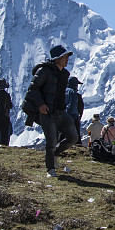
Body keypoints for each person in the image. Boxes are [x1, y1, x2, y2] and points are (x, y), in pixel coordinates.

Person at [23, 44, 79, 177]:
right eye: (64, 56)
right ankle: (50, 169)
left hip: (61, 112)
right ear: (57, 58)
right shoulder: (44, 71)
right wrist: (41, 104)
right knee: (51, 141)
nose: (67, 59)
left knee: (73, 137)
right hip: (47, 113)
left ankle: (55, 154)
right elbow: (33, 89)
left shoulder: (65, 74)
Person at [64, 76, 84, 145]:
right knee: (76, 134)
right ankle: (78, 146)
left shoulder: (62, 92)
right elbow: (80, 108)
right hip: (73, 116)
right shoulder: (75, 94)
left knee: (63, 133)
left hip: (62, 116)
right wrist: (79, 116)